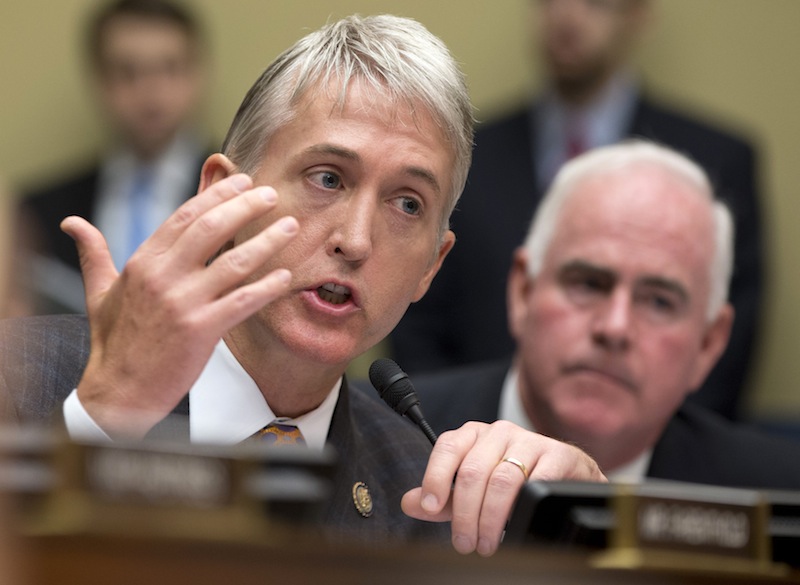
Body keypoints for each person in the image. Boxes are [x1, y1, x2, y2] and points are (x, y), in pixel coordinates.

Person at [0, 14, 606, 557]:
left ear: (432, 267)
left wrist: (576, 535)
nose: (357, 239)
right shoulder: (15, 378)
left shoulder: (425, 493)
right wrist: (103, 425)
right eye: (327, 178)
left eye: (407, 203)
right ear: (221, 196)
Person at [391, 0, 762, 422]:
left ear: (638, 14)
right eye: (551, 1)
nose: (568, 16)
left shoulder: (713, 162)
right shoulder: (465, 155)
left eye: (596, 2)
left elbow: (726, 349)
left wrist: (641, 451)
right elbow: (417, 313)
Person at [411, 141, 800, 489]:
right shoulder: (384, 437)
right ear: (523, 293)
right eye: (589, 284)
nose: (614, 327)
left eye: (660, 302)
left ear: (708, 345)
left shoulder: (778, 493)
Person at [18, 0, 210, 313]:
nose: (151, 91)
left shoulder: (242, 189)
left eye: (169, 67)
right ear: (99, 79)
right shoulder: (42, 210)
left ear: (197, 73)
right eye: (127, 72)